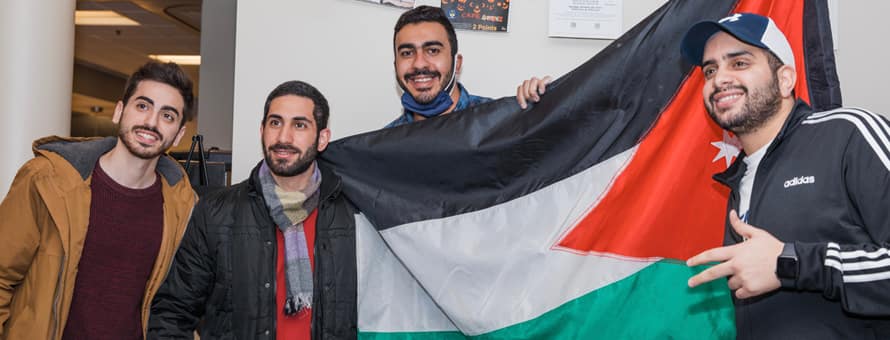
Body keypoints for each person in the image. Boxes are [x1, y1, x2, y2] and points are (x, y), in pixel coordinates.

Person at [681, 13, 890, 338]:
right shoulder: (740, 182)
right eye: (710, 69)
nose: (719, 79)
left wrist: (790, 263)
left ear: (785, 80)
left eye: (738, 63)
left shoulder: (848, 134)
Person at [0, 61, 196, 339]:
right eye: (143, 106)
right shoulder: (47, 181)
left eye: (167, 115)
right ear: (119, 111)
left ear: (178, 134)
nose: (151, 122)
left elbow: (179, 306)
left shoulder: (182, 206)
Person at [148, 81, 358, 339]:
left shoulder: (350, 213)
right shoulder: (217, 212)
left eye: (299, 125)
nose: (284, 137)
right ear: (262, 130)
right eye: (275, 123)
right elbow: (171, 312)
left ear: (322, 138)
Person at [387, 5, 551, 128]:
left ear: (457, 63)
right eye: (407, 53)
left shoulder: (497, 125)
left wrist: (537, 113)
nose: (419, 63)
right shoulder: (385, 145)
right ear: (396, 66)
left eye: (433, 50)